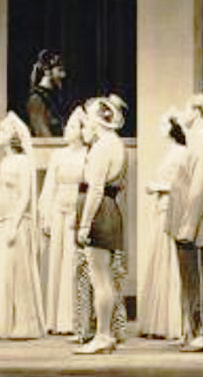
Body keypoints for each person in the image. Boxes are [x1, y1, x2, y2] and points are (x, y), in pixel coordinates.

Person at [0, 112, 46, 338]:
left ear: (15, 136)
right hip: (1, 220)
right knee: (1, 273)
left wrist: (13, 224)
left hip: (16, 222)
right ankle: (1, 324)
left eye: (3, 130)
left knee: (17, 274)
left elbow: (25, 195)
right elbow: (1, 191)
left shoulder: (22, 161)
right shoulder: (5, 161)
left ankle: (23, 324)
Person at [75, 95, 129, 354]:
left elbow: (95, 189)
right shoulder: (115, 143)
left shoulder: (102, 147)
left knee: (99, 279)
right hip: (110, 208)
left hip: (100, 211)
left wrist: (84, 224)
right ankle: (105, 333)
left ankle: (102, 334)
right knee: (104, 277)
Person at [171, 93, 203, 352]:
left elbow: (200, 187)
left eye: (187, 108)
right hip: (191, 221)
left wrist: (189, 225)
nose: (184, 113)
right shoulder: (198, 140)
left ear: (198, 112)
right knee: (192, 279)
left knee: (200, 279)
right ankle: (196, 330)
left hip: (198, 224)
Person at [139, 111, 188, 340]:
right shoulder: (171, 151)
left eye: (164, 124)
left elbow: (180, 184)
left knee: (169, 258)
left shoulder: (181, 152)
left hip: (171, 206)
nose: (160, 127)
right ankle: (158, 320)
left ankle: (172, 321)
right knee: (160, 256)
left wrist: (158, 187)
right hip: (162, 205)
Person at [39, 109, 87, 335]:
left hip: (77, 211)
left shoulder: (88, 154)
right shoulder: (58, 155)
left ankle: (74, 320)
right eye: (67, 125)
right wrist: (46, 215)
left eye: (73, 126)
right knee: (57, 262)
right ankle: (55, 320)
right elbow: (50, 186)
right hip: (58, 209)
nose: (68, 129)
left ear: (82, 131)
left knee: (73, 262)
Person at [26, 50, 67, 138]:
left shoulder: (51, 97)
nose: (63, 75)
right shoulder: (37, 99)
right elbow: (42, 133)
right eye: (59, 70)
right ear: (47, 72)